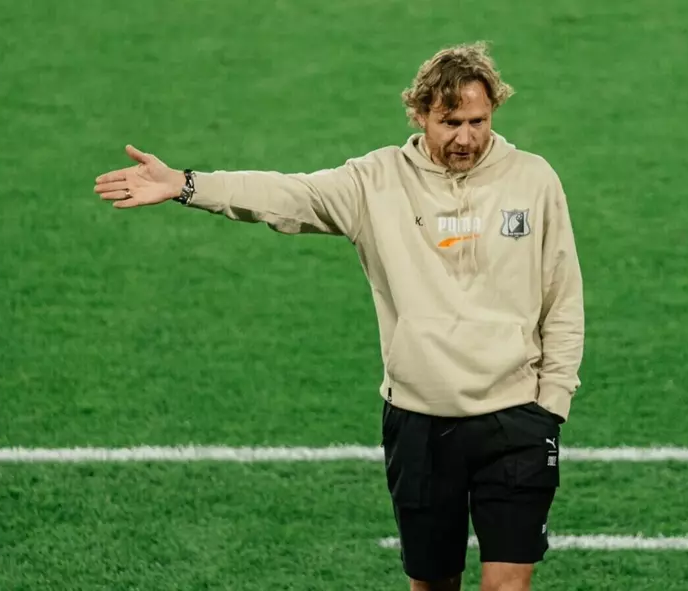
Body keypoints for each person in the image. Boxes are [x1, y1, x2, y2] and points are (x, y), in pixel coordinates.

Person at [93, 41, 584, 591]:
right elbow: (287, 195)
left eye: (478, 121)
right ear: (420, 114)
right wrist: (188, 184)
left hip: (515, 419)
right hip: (420, 422)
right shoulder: (375, 182)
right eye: (450, 123)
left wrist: (552, 405)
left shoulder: (533, 179)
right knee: (433, 585)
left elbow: (562, 296)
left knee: (507, 586)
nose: (466, 138)